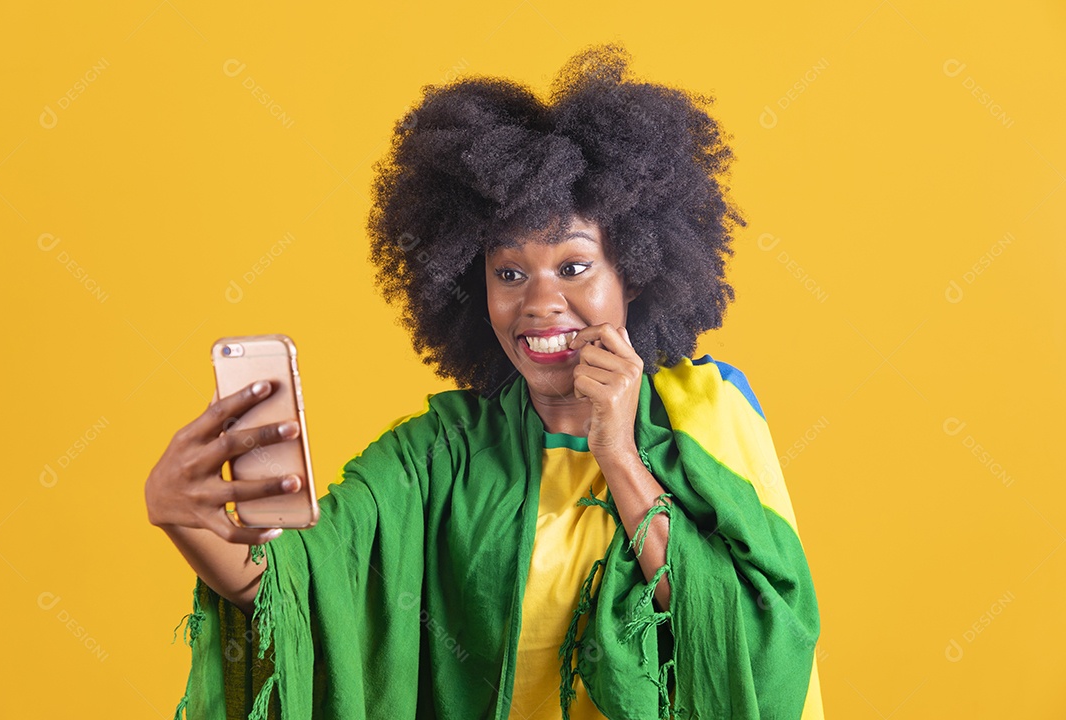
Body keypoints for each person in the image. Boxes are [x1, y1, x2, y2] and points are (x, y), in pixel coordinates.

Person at [145, 43, 824, 720]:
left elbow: (755, 645)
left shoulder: (708, 418)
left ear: (636, 275)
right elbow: (295, 586)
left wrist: (618, 452)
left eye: (574, 267)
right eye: (510, 273)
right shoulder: (437, 455)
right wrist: (183, 516)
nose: (540, 302)